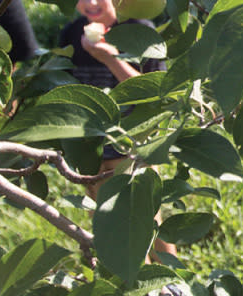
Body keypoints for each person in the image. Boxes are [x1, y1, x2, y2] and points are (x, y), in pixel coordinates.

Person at [58, 0, 176, 261]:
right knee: (112, 232)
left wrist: (110, 58)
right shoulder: (71, 34)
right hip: (92, 158)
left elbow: (157, 95)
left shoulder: (140, 33)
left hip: (133, 154)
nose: (90, 2)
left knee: (147, 226)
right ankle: (142, 288)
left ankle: (171, 285)